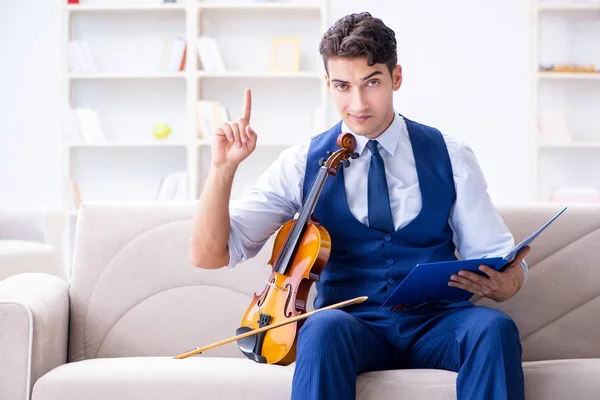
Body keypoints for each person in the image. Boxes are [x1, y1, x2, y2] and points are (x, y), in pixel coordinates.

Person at [190, 11, 530, 400]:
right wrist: (222, 169)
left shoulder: (450, 154)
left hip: (436, 321)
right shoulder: (302, 161)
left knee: (493, 328)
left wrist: (510, 281)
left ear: (395, 78)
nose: (358, 103)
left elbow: (497, 257)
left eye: (371, 83)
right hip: (353, 326)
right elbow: (210, 254)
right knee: (320, 329)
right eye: (342, 86)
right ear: (327, 84)